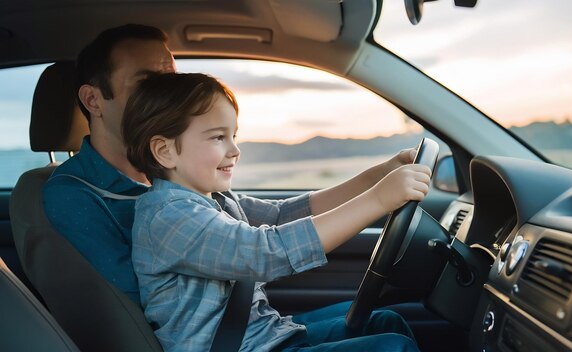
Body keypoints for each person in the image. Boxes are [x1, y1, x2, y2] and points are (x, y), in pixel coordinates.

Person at [122, 72, 432, 351]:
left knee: (386, 322)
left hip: (264, 334)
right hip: (243, 347)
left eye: (234, 135)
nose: (234, 149)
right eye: (218, 137)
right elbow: (264, 253)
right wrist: (378, 200)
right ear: (164, 151)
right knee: (391, 348)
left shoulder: (215, 200)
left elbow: (285, 216)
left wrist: (376, 176)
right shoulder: (168, 216)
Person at [43, 24, 176, 304]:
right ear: (93, 100)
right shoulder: (73, 195)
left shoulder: (174, 168)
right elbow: (142, 303)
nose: (168, 97)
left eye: (171, 82)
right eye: (146, 83)